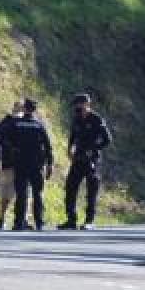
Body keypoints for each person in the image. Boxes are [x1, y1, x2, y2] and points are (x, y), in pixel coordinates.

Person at [0, 98, 53, 231]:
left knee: (21, 193)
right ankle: (39, 222)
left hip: (20, 163)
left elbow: (0, 137)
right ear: (34, 110)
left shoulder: (15, 124)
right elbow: (48, 146)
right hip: (36, 165)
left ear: (25, 109)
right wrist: (50, 164)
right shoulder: (39, 125)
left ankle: (18, 222)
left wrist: (11, 149)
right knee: (37, 194)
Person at [59, 93, 112, 230]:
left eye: (79, 105)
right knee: (70, 187)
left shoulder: (96, 119)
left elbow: (107, 140)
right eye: (76, 105)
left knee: (91, 190)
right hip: (78, 158)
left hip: (92, 159)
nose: (77, 108)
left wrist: (94, 149)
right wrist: (69, 148)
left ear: (87, 104)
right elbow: (73, 135)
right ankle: (71, 219)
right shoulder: (76, 119)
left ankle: (89, 221)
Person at [0, 101, 24, 229]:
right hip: (13, 163)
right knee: (10, 193)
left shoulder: (5, 123)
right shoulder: (9, 123)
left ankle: (13, 219)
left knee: (15, 194)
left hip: (14, 164)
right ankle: (5, 218)